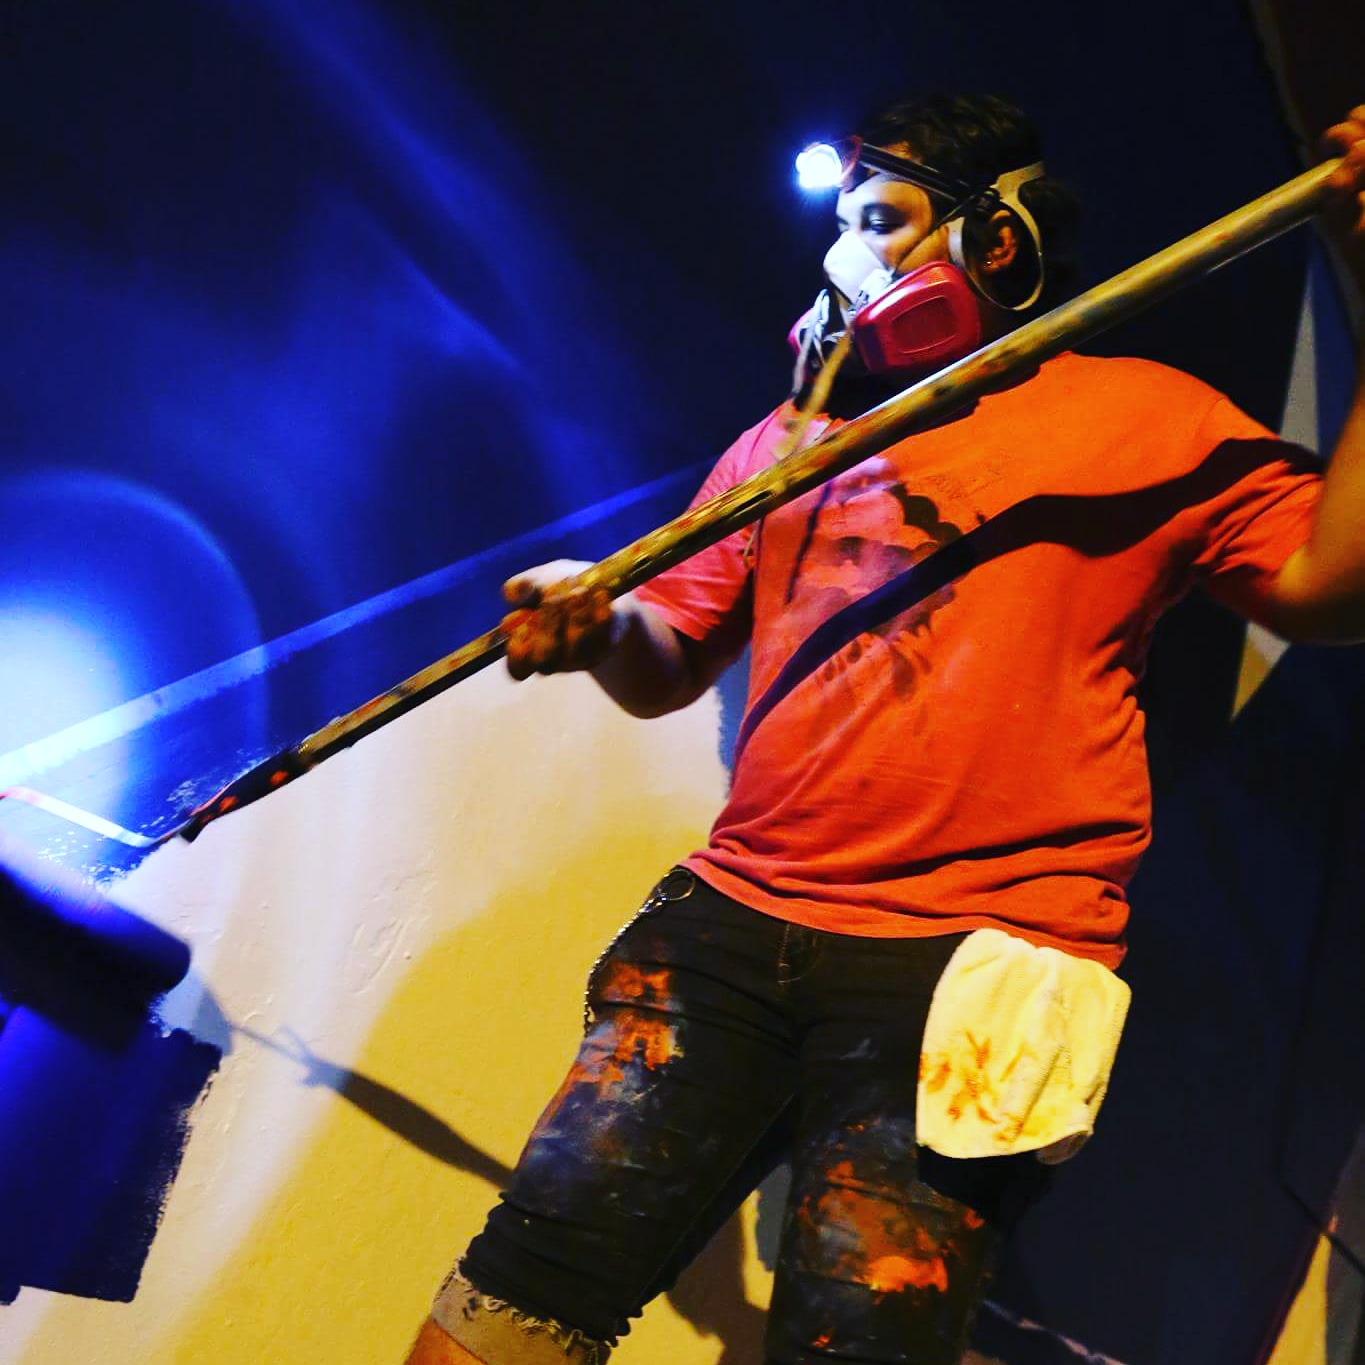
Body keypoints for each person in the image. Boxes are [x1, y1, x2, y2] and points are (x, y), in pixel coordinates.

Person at [407, 95, 1365, 1365]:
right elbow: (663, 663)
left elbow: (1331, 588)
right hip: (731, 930)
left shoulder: (1152, 419)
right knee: (517, 1294)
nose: (848, 256)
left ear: (998, 242)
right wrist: (599, 626)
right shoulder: (789, 444)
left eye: (883, 219)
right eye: (845, 223)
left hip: (975, 962)